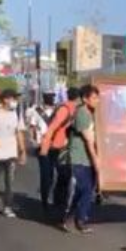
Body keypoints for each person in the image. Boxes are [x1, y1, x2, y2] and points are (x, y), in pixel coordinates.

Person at [0, 89, 26, 218]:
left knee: (10, 182)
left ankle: (7, 206)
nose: (15, 101)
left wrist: (22, 151)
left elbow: (19, 133)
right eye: (13, 98)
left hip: (11, 153)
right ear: (5, 99)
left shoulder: (16, 114)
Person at [64, 85, 101, 234]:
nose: (97, 100)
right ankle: (80, 220)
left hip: (87, 159)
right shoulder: (83, 113)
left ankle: (70, 217)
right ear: (85, 99)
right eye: (94, 98)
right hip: (79, 157)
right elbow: (89, 141)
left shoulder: (93, 113)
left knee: (85, 190)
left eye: (98, 98)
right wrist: (96, 160)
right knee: (84, 189)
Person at [40, 87, 82, 217]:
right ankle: (49, 204)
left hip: (64, 148)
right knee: (51, 178)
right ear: (78, 98)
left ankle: (59, 205)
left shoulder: (76, 109)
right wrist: (44, 149)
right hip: (55, 148)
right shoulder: (65, 109)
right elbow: (52, 128)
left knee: (64, 177)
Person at [27, 93, 57, 212]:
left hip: (54, 146)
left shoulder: (57, 111)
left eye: (52, 98)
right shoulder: (37, 111)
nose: (51, 100)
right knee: (45, 174)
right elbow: (33, 127)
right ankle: (45, 199)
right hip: (41, 145)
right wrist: (34, 140)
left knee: (53, 174)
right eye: (49, 97)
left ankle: (52, 196)